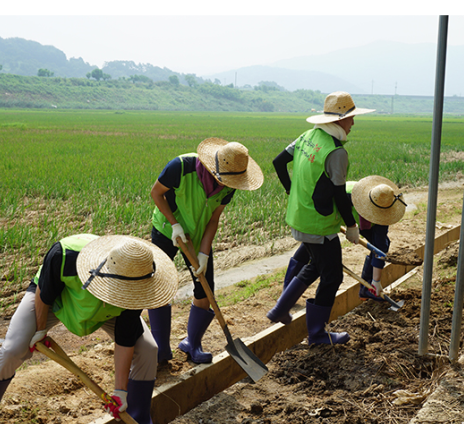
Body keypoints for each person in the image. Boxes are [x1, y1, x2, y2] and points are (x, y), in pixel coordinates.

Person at [0, 234, 179, 424]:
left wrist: (120, 391)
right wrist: (40, 330)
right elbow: (44, 293)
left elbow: (125, 338)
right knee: (14, 347)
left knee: (148, 349)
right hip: (57, 300)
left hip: (108, 311)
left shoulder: (137, 282)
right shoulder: (66, 255)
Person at [266, 91, 373, 345]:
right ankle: (316, 333)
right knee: (333, 276)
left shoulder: (308, 136)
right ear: (338, 121)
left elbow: (279, 162)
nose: (353, 123)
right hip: (319, 224)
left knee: (316, 265)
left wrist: (291, 192)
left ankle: (280, 309)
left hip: (299, 216)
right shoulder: (336, 152)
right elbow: (338, 193)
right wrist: (351, 225)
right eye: (351, 118)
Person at [149, 138, 264, 364]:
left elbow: (214, 218)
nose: (229, 185)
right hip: (166, 229)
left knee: (205, 289)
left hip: (199, 233)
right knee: (160, 285)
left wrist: (204, 253)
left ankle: (192, 343)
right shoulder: (181, 167)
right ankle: (161, 349)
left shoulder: (229, 186)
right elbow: (156, 193)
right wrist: (174, 224)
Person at [280, 175, 406, 301]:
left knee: (380, 245)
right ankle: (288, 288)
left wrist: (376, 281)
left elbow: (380, 246)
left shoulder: (385, 208)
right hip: (331, 212)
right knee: (313, 244)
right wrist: (350, 228)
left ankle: (367, 288)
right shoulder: (346, 194)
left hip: (361, 221)